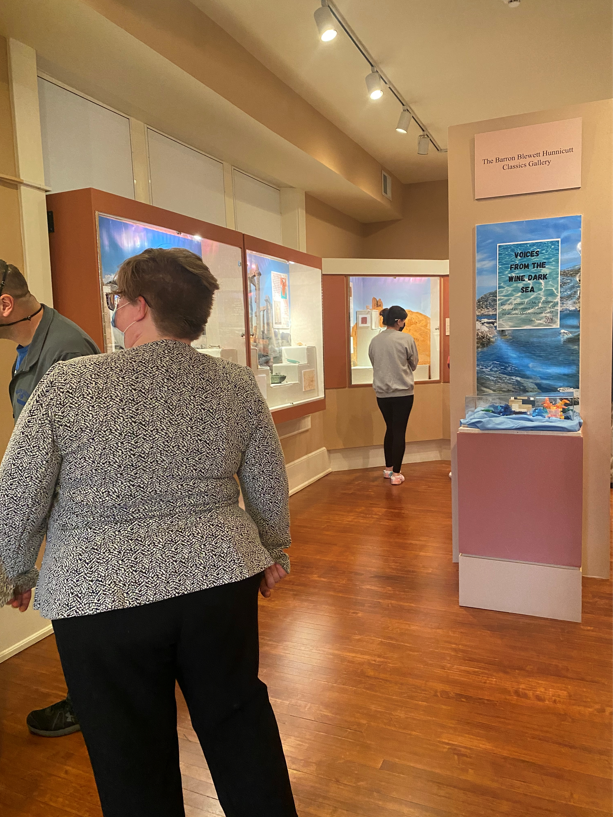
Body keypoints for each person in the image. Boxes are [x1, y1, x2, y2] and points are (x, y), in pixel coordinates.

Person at [0, 247, 298, 817]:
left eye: (118, 301)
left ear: (140, 307)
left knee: (129, 758)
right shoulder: (235, 384)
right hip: (219, 582)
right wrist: (273, 546)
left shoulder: (67, 386)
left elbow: (19, 489)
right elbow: (266, 477)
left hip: (99, 598)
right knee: (241, 730)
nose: (114, 312)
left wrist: (13, 571)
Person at [0, 258, 99, 738]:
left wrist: (19, 560)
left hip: (80, 515)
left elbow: (85, 449)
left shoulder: (67, 350)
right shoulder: (32, 347)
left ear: (4, 304)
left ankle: (90, 704)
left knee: (78, 613)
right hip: (59, 510)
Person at [368, 305, 419, 486]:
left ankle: (388, 469)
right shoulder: (406, 339)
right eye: (403, 320)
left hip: (382, 394)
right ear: (398, 321)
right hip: (403, 392)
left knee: (389, 428)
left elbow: (374, 363)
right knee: (399, 431)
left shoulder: (375, 341)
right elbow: (413, 364)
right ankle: (397, 474)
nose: (404, 323)